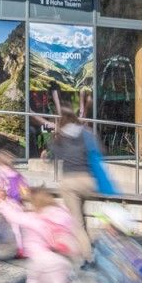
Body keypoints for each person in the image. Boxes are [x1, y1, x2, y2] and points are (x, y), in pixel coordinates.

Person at [0, 187, 81, 283]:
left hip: (40, 257)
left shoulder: (36, 217)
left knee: (33, 281)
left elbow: (15, 217)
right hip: (63, 258)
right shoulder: (63, 213)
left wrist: (3, 202)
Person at [48, 107, 115, 259]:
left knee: (77, 222)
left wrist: (48, 154)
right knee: (82, 215)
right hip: (88, 181)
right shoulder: (87, 133)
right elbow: (101, 151)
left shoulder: (60, 136)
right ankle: (106, 234)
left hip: (70, 183)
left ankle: (88, 256)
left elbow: (52, 157)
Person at [0, 149, 29, 258]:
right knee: (17, 227)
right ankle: (21, 248)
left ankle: (3, 242)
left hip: (6, 202)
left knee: (2, 223)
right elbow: (25, 188)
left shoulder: (0, 173)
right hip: (17, 202)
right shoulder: (17, 174)